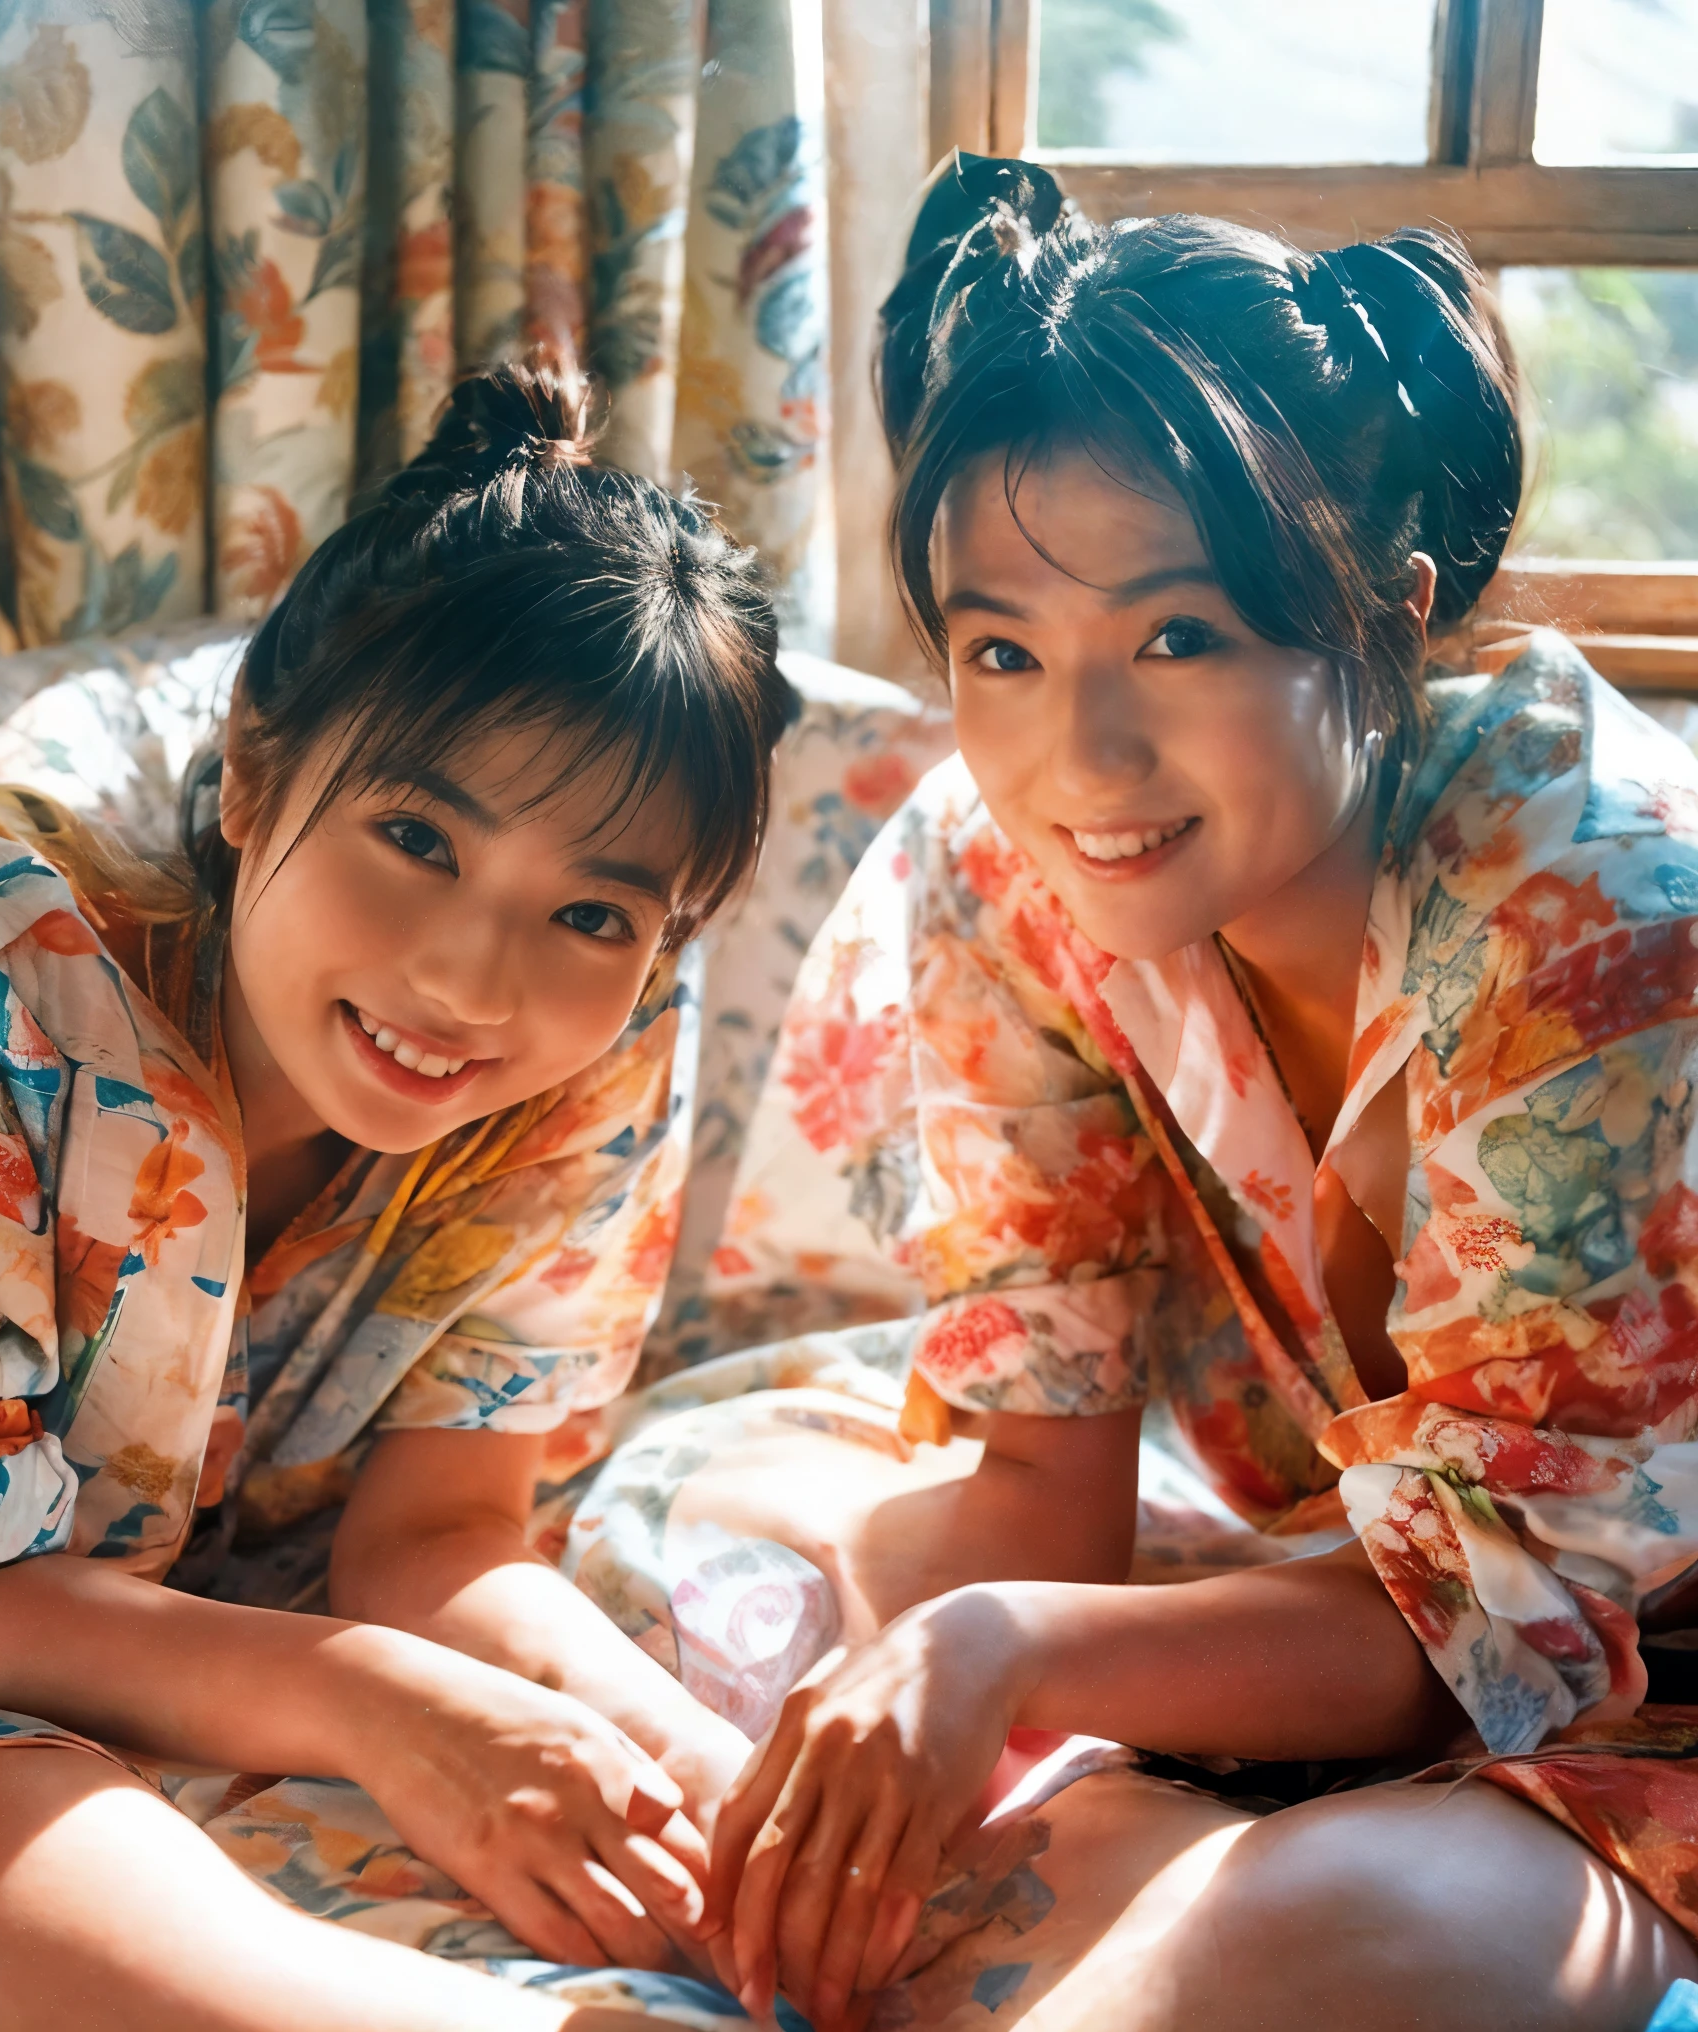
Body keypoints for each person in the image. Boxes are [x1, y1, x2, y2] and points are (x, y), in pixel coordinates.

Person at [580, 156, 1698, 2029]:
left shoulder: (1595, 922)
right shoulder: (1008, 871)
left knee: (1333, 1940)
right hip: (1333, 1586)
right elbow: (1049, 1493)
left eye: (1178, 637)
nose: (1075, 752)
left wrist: (995, 1650)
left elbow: (1481, 1631)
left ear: (1391, 616)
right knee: (737, 1596)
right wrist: (952, 1676)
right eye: (1000, 650)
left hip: (1647, 1676)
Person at [0, 364, 793, 2032]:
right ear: (255, 769)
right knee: (100, 1926)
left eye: (594, 915)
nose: (471, 980)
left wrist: (706, 1776)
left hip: (217, 1631)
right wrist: (398, 1714)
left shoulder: (594, 1043)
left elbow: (441, 1534)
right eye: (417, 834)